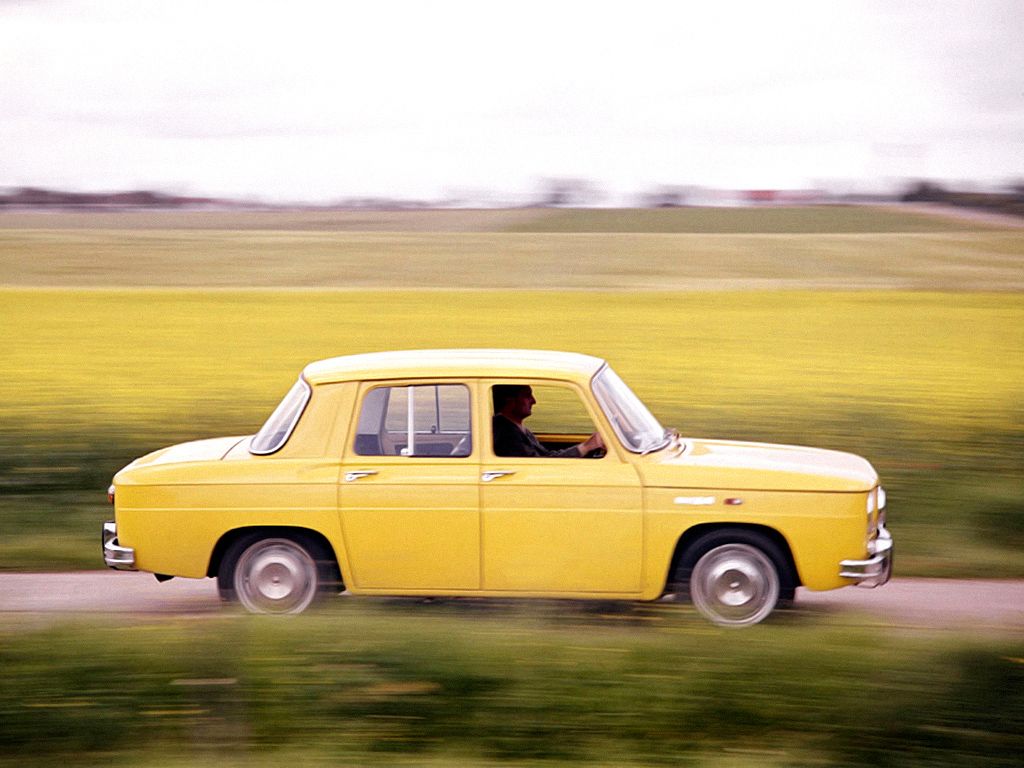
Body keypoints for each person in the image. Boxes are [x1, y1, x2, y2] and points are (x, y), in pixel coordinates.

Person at [492, 384, 605, 458]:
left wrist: (587, 446)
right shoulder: (506, 434)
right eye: (527, 396)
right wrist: (586, 446)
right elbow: (540, 465)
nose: (533, 401)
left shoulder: (517, 428)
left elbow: (547, 456)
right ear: (510, 400)